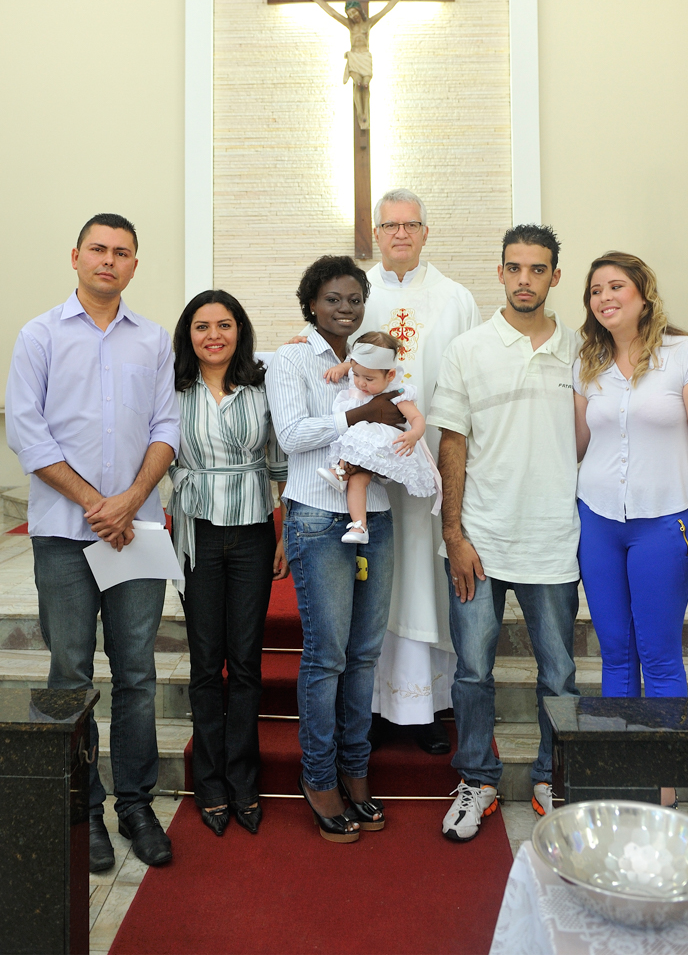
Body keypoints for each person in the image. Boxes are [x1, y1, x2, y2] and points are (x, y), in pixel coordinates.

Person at [5, 213, 180, 872]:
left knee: (136, 674)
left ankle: (136, 805)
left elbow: (168, 424)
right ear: (75, 256)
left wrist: (129, 502)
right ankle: (82, 806)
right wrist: (92, 505)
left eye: (122, 252)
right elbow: (27, 432)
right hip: (62, 536)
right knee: (70, 673)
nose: (109, 260)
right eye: (98, 249)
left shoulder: (153, 339)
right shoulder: (40, 336)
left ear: (135, 265)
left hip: (136, 533)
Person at [429, 224, 581, 840]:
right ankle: (477, 779)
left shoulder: (580, 349)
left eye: (537, 269)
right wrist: (455, 536)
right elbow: (452, 445)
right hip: (482, 539)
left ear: (554, 276)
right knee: (471, 670)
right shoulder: (468, 349)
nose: (525, 279)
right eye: (514, 268)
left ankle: (553, 775)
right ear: (500, 273)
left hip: (554, 536)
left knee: (560, 674)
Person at [573, 252, 688, 808]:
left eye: (616, 286)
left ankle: (662, 787)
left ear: (643, 294)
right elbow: (577, 445)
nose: (605, 297)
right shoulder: (587, 363)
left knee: (658, 654)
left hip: (665, 523)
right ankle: (623, 772)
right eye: (595, 291)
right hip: (599, 522)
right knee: (615, 652)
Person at [267, 255, 403, 842]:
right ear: (311, 302)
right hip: (318, 521)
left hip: (376, 518)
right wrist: (359, 412)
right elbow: (292, 435)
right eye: (333, 298)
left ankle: (356, 770)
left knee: (366, 654)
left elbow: (395, 424)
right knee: (328, 656)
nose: (345, 308)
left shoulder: (373, 360)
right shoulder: (293, 357)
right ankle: (318, 777)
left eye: (354, 299)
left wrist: (391, 420)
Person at [360, 189, 481, 755]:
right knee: (380, 579)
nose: (401, 234)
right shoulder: (355, 293)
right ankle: (378, 702)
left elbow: (472, 382)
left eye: (411, 225)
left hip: (434, 466)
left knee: (426, 579)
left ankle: (428, 704)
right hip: (372, 471)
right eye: (390, 225)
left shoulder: (456, 298)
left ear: (426, 233)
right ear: (376, 232)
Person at [168, 290, 289, 837]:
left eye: (224, 325)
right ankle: (210, 781)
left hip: (252, 535)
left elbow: (280, 463)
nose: (213, 335)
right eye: (201, 326)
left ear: (239, 330)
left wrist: (282, 533)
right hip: (195, 533)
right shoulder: (171, 390)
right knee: (203, 663)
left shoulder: (262, 387)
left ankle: (243, 779)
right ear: (187, 335)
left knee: (244, 662)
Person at [319, 331, 441, 544]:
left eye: (369, 379)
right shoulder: (360, 371)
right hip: (366, 444)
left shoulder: (398, 392)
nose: (360, 383)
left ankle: (341, 471)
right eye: (356, 375)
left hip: (384, 444)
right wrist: (343, 367)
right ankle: (359, 527)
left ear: (390, 376)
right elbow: (353, 364)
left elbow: (417, 418)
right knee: (358, 481)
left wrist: (413, 434)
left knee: (358, 435)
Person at [304, 0, 410, 129]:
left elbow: (386, 9)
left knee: (366, 85)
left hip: (365, 56)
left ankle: (366, 111)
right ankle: (361, 113)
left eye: (354, 12)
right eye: (350, 14)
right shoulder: (349, 25)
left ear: (359, 10)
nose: (353, 15)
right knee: (358, 83)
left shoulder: (368, 23)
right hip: (354, 56)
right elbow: (333, 13)